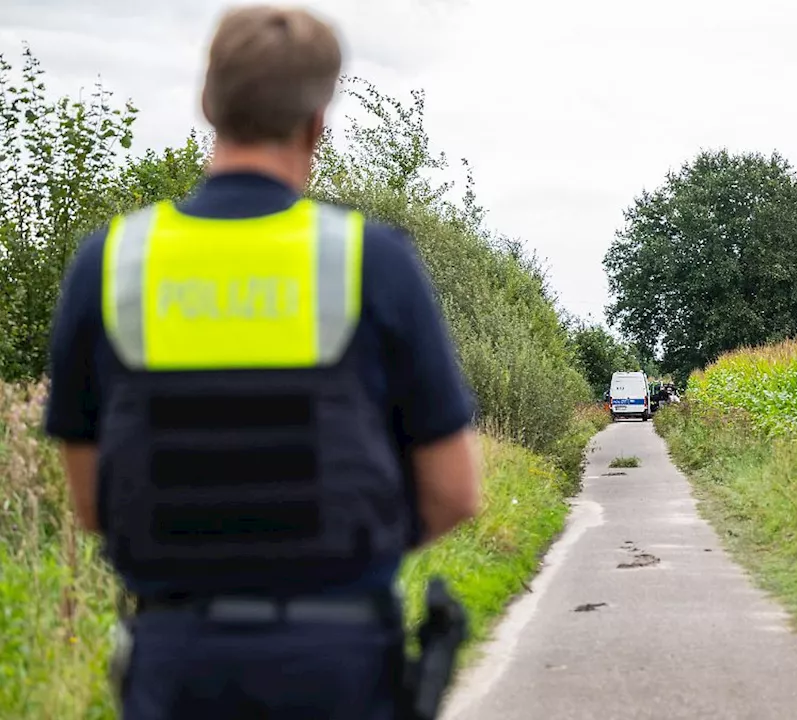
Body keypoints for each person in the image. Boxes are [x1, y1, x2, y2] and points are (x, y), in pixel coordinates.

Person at [42, 6, 482, 719]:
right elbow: (455, 493)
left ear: (209, 106)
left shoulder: (112, 264)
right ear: (317, 121)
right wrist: (343, 550)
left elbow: (93, 507)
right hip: (336, 661)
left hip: (175, 663)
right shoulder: (371, 262)